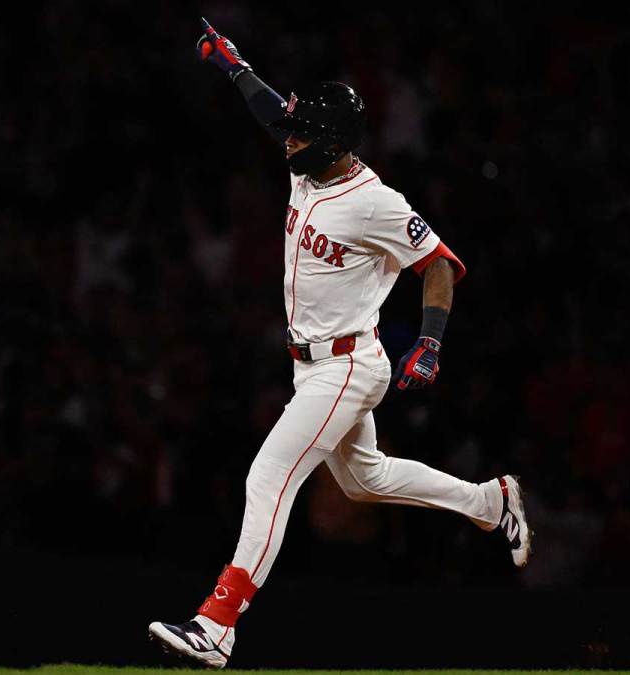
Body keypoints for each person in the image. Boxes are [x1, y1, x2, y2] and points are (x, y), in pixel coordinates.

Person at [147, 19, 532, 669]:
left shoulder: (375, 202)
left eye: (302, 132)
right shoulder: (309, 158)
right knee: (365, 478)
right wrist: (231, 63)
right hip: (316, 366)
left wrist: (431, 342)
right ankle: (489, 500)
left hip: (347, 366)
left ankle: (217, 624)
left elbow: (438, 265)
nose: (288, 136)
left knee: (268, 476)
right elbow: (272, 111)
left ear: (331, 145)